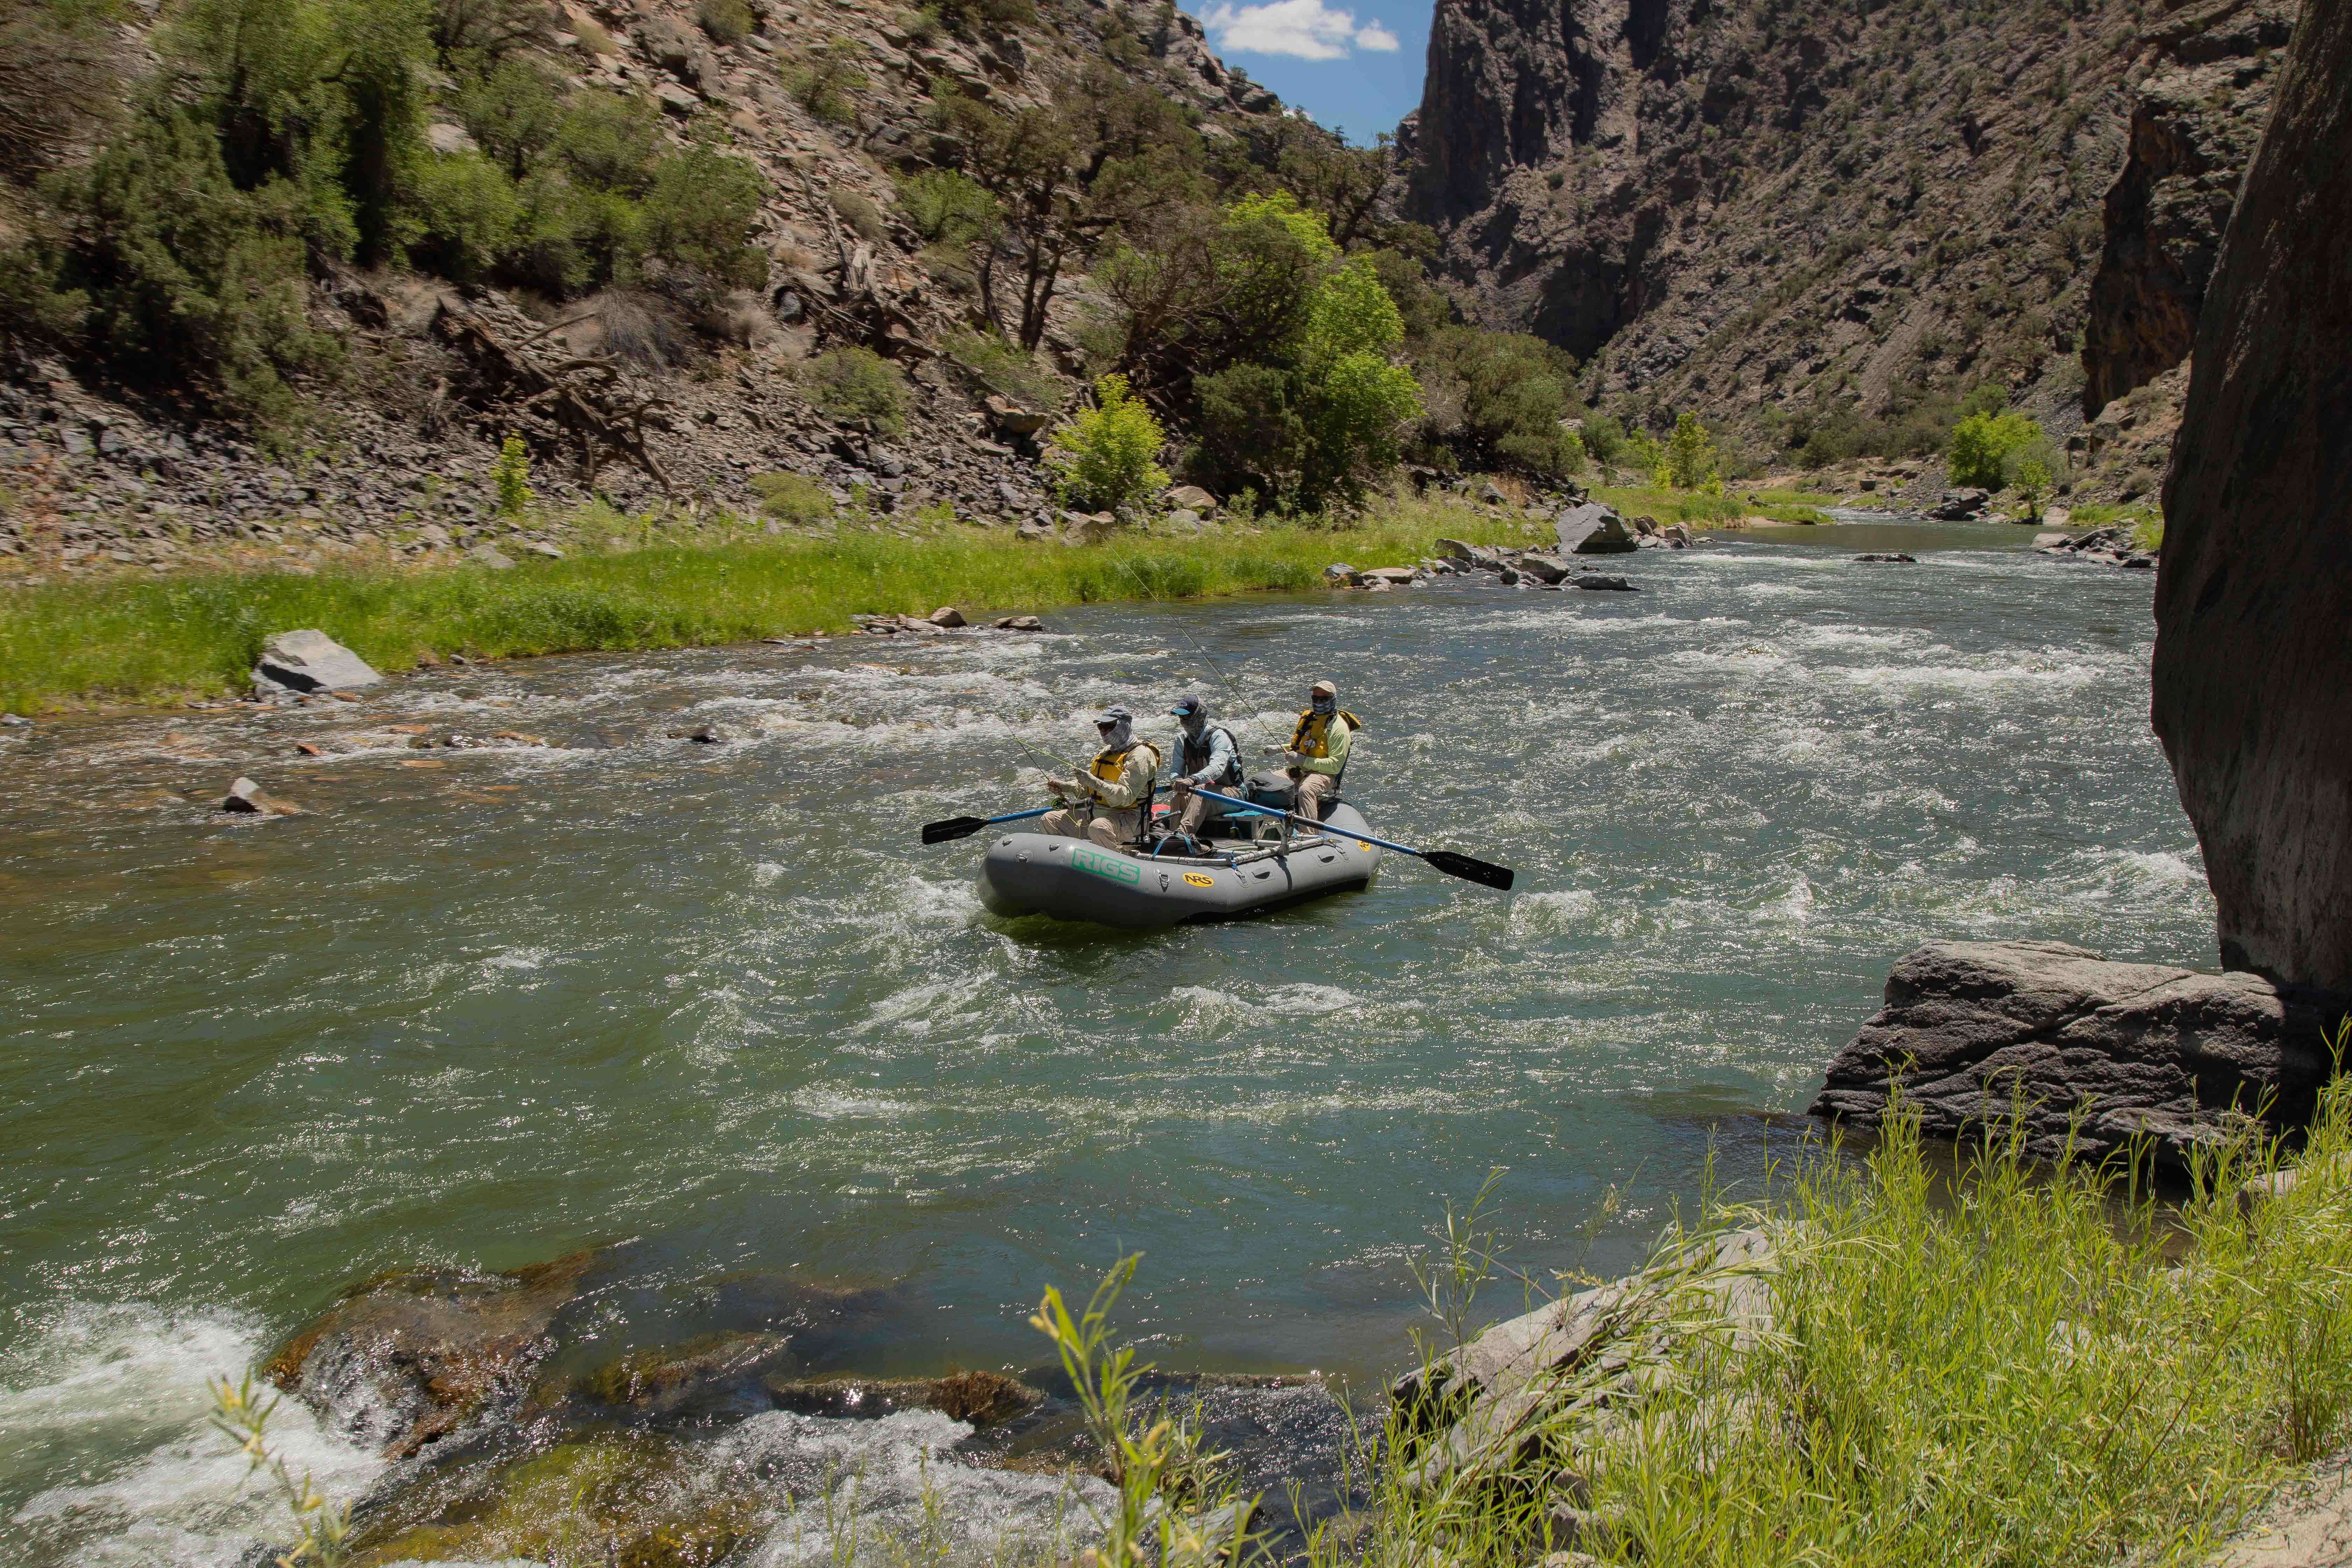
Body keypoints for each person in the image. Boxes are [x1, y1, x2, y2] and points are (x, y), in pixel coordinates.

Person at [1042, 704, 1160, 848]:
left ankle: (1115, 863)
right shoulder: (1107, 752)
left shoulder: (1141, 756)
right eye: (1101, 726)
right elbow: (1090, 790)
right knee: (1050, 819)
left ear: (1125, 726)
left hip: (1129, 820)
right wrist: (1067, 786)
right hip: (1097, 816)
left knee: (1098, 827)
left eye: (1109, 726)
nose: (1104, 731)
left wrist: (1094, 783)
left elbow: (1125, 797)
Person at [1162, 694, 1242, 843]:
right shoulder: (1181, 739)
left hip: (1232, 794)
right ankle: (1171, 838)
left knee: (1202, 790)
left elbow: (1217, 768)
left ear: (1199, 715)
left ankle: (1183, 836)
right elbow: (1176, 769)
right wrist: (1176, 780)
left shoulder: (1219, 737)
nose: (1182, 721)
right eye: (1180, 717)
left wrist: (1192, 780)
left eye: (1186, 717)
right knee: (1179, 797)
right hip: (1199, 791)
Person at [1281, 678, 1359, 824]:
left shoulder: (1339, 729)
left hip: (1324, 774)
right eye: (1316, 698)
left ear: (1333, 699)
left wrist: (1304, 761)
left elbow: (1335, 765)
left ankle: (1309, 833)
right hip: (1300, 770)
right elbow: (1304, 744)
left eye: (1324, 699)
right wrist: (1279, 749)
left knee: (1307, 789)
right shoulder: (1311, 719)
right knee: (1271, 781)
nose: (1319, 702)